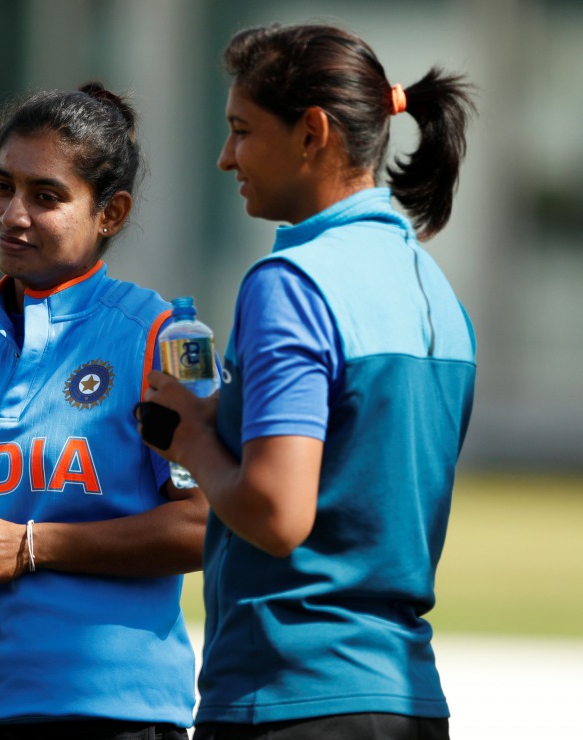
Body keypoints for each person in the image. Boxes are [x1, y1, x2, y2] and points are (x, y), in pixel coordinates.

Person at [138, 22, 477, 740]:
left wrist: (195, 438)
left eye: (241, 129)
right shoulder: (436, 292)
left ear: (311, 133)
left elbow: (276, 513)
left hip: (290, 695)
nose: (226, 157)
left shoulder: (289, 282)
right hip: (410, 700)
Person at [0, 82, 207, 739]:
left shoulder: (172, 340)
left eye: (46, 196)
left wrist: (30, 546)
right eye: (2, 185)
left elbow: (210, 525)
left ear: (111, 213)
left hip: (112, 713)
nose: (12, 214)